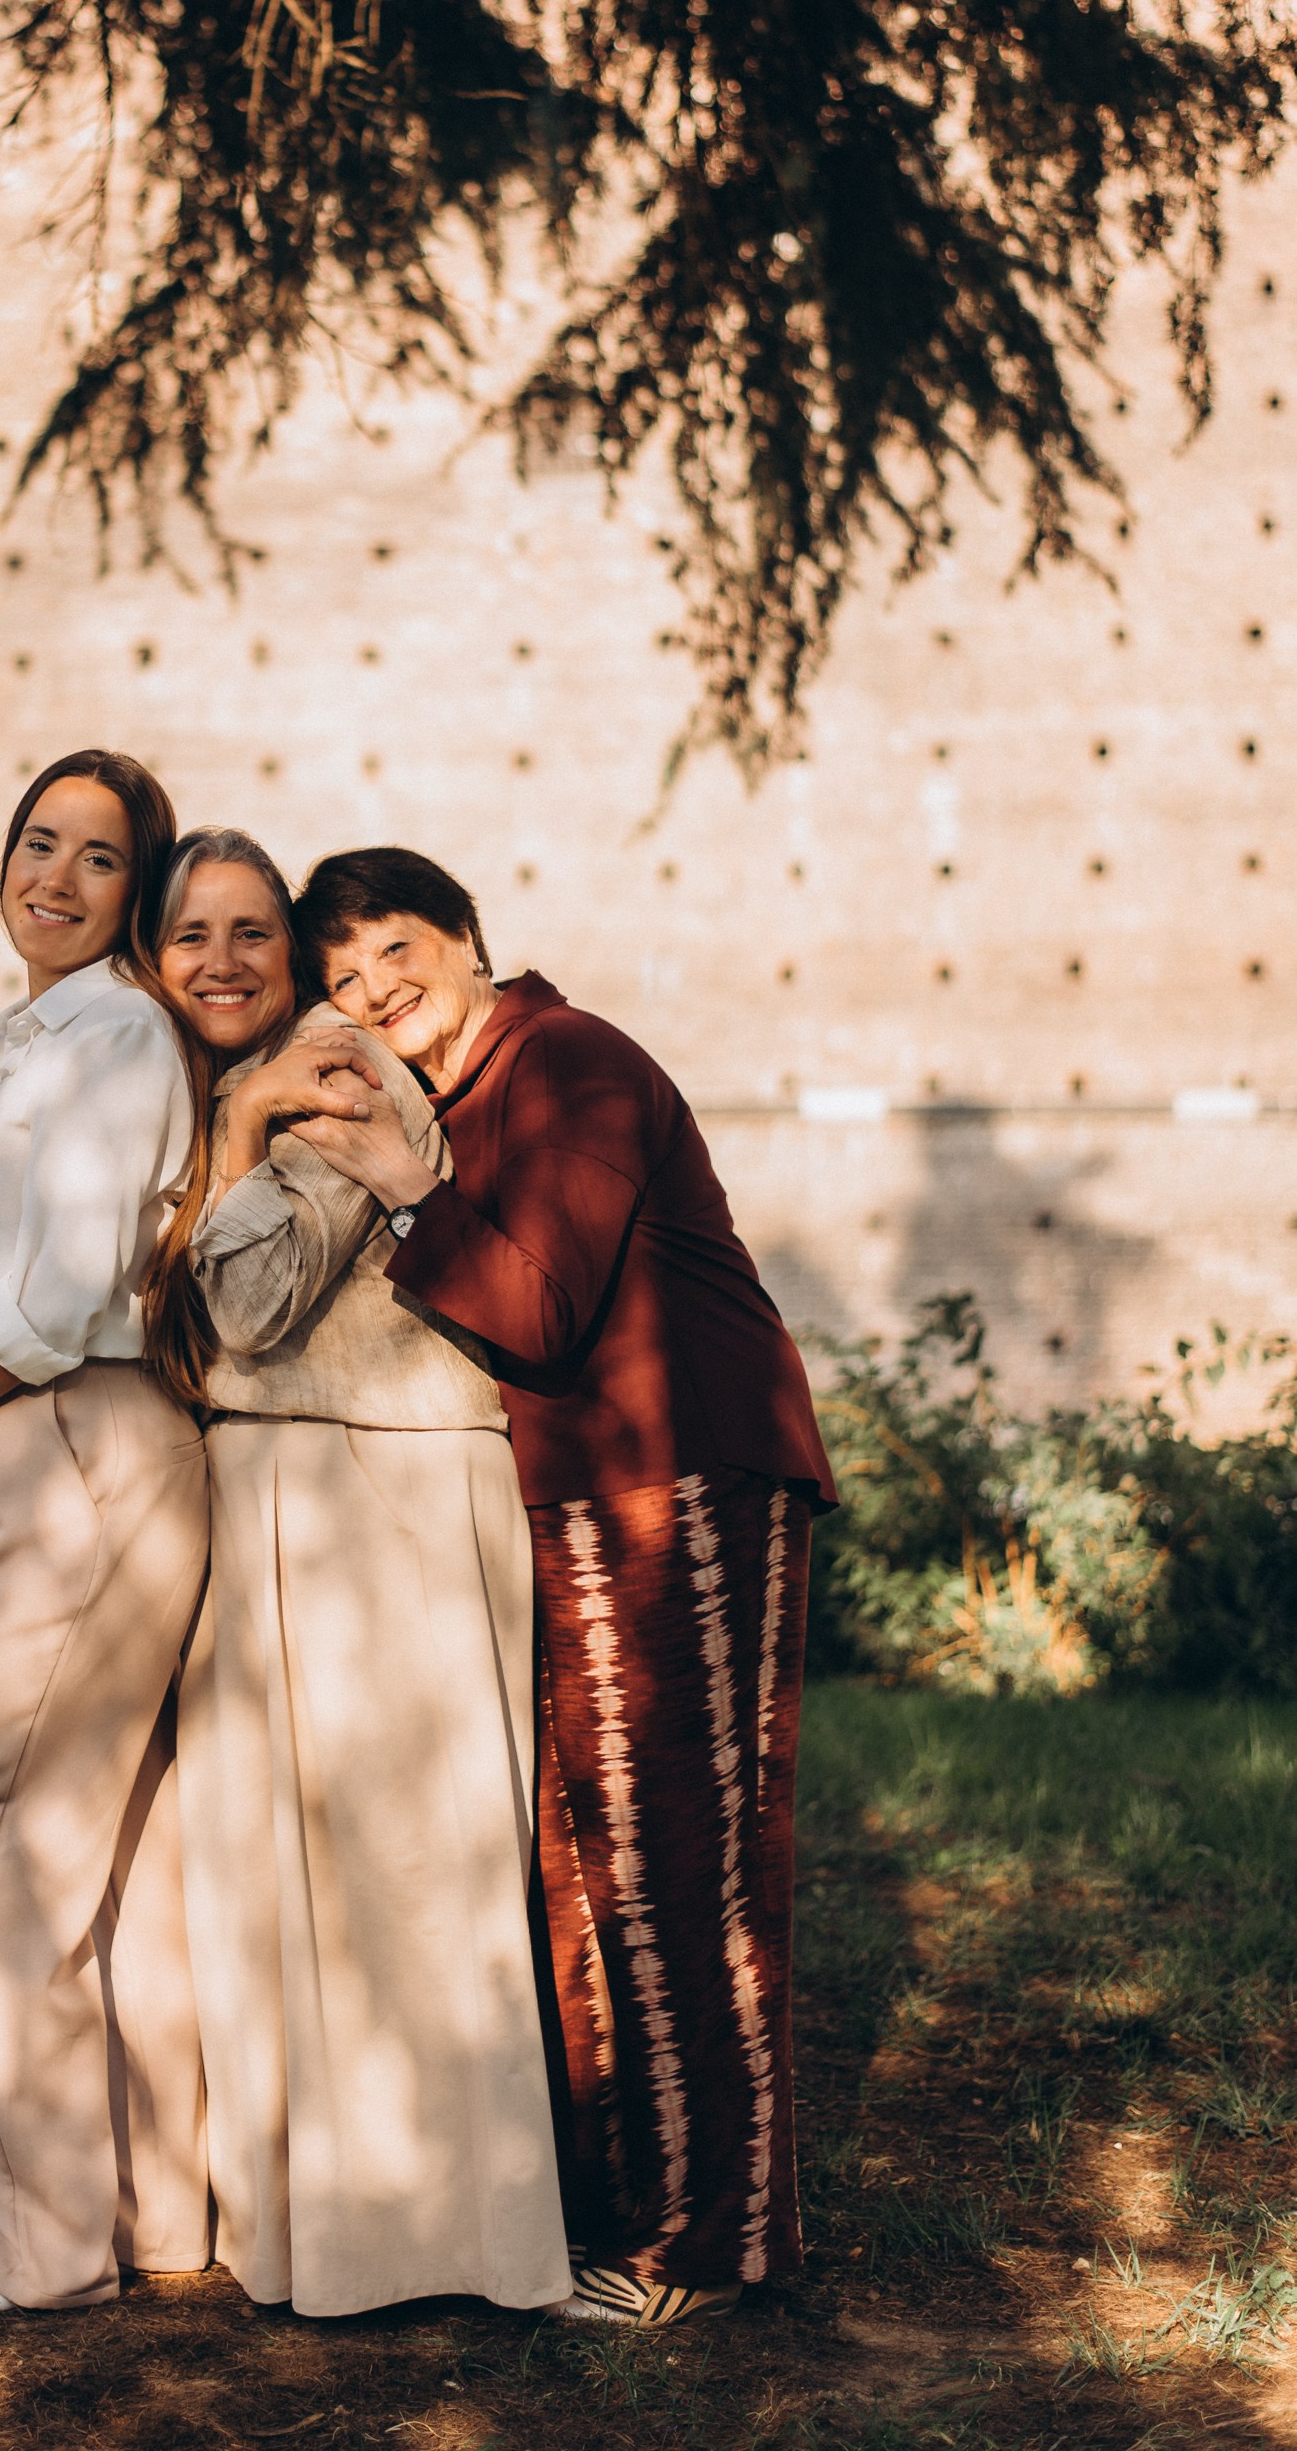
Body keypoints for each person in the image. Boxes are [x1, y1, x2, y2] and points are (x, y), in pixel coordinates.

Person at [288, 847, 837, 2333]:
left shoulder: (568, 1061)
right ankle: (624, 2209)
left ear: (468, 940)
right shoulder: (467, 1093)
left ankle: (705, 2245)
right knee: (586, 1865)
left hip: (689, 1478)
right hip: (592, 1499)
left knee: (681, 1860)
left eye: (395, 950)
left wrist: (405, 1189)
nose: (372, 991)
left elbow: (535, 1303)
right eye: (339, 980)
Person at [144, 826, 570, 2319]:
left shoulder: (338, 1069)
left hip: (370, 1474)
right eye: (195, 936)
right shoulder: (245, 1087)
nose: (229, 966)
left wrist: (250, 1122)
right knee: (304, 1878)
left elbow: (249, 1299)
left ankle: (443, 2237)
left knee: (401, 1876)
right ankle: (331, 2226)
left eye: (258, 937)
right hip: (294, 1478)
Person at [0, 750, 212, 2318]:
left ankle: (11, 2251)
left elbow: (68, 1284)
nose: (55, 879)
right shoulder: (28, 1049)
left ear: (137, 895)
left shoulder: (120, 1031)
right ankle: (131, 2217)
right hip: (24, 1441)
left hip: (85, 1447)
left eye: (100, 860)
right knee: (65, 1848)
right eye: (38, 843)